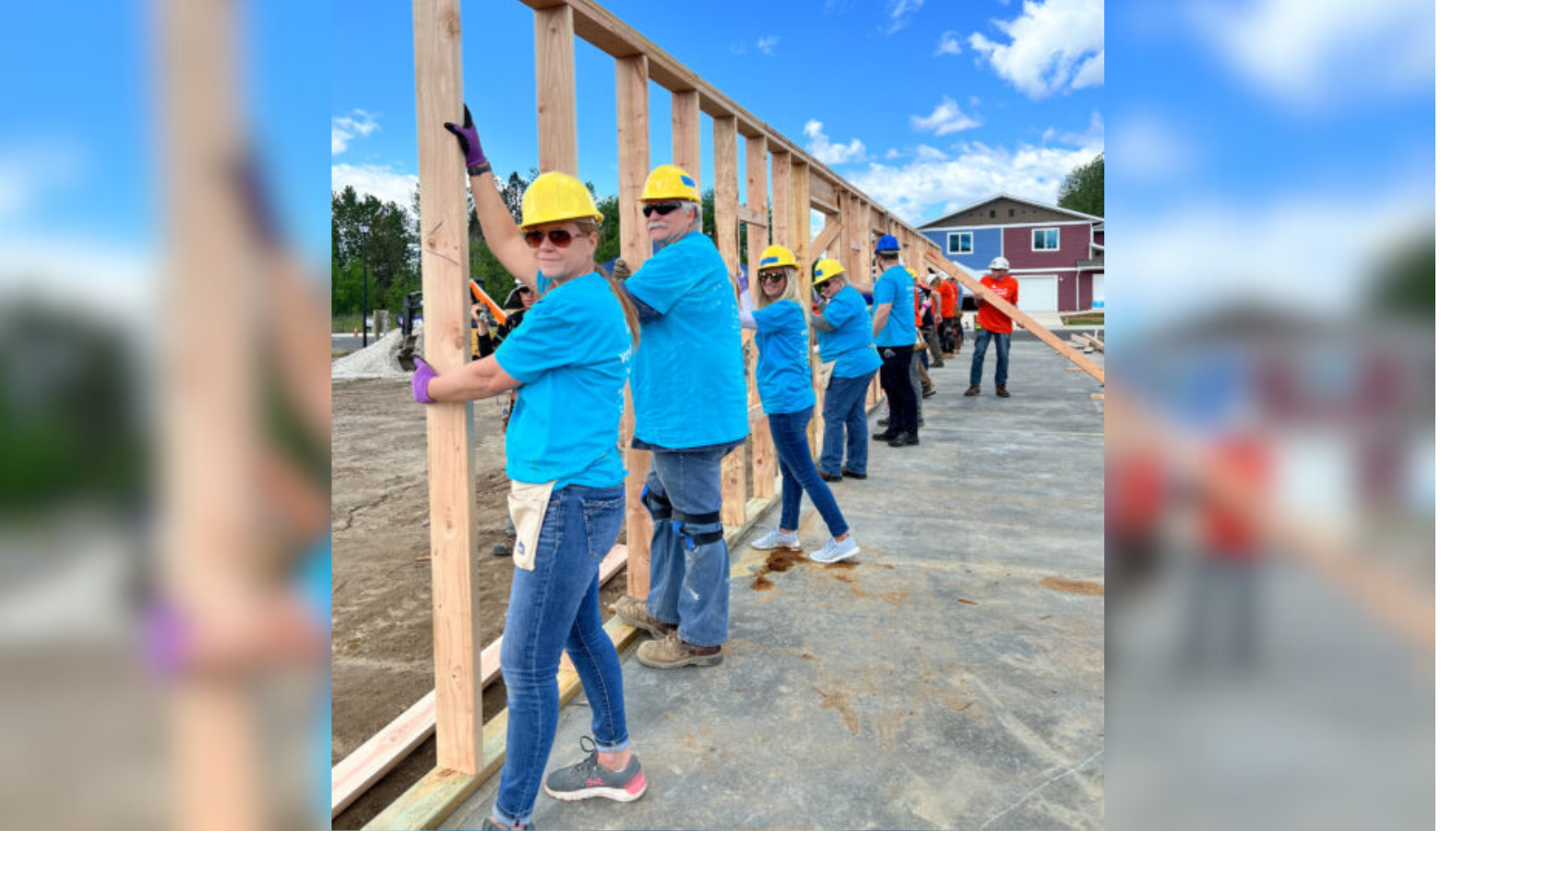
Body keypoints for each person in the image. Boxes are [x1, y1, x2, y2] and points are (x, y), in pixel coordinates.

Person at [435, 111, 646, 830]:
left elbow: (491, 375)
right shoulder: (571, 287)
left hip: (564, 502)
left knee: (526, 668)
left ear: (592, 236)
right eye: (539, 234)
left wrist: (429, 386)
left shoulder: (572, 305)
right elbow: (498, 239)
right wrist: (478, 168)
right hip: (580, 496)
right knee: (583, 634)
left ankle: (508, 818)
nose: (545, 246)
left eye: (562, 234)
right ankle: (616, 761)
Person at [605, 164, 750, 670]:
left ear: (692, 213)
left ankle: (700, 636)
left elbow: (622, 306)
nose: (654, 216)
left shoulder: (687, 253)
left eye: (665, 208)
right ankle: (667, 610)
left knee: (698, 526)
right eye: (648, 208)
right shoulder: (685, 256)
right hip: (683, 417)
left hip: (690, 422)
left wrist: (593, 274)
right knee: (663, 506)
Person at [736, 245, 861, 563]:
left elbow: (744, 319)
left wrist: (713, 301)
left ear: (788, 277)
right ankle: (787, 531)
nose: (769, 281)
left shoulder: (786, 308)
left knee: (805, 472)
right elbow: (752, 318)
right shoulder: (782, 309)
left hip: (787, 404)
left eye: (775, 275)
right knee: (792, 472)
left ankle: (841, 535)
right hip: (790, 401)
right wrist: (744, 288)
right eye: (763, 276)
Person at [810, 258, 882, 482]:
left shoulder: (844, 300)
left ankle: (830, 467)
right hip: (862, 363)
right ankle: (856, 465)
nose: (823, 289)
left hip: (850, 366)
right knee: (854, 416)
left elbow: (825, 324)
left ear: (839, 280)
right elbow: (830, 313)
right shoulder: (848, 297)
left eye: (827, 284)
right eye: (820, 286)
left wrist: (801, 311)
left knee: (833, 415)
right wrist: (817, 301)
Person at [869, 236, 919, 446]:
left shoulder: (887, 279)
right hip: (902, 338)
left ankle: (909, 432)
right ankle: (896, 427)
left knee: (900, 387)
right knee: (891, 385)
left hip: (893, 341)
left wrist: (867, 338)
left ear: (879, 258)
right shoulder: (904, 276)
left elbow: (882, 311)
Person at [967, 256, 1019, 398]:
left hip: (1003, 325)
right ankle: (974, 385)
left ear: (1004, 271)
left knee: (1003, 356)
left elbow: (1013, 304)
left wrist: (1018, 317)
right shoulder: (984, 281)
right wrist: (978, 299)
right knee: (978, 353)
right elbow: (978, 305)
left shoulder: (1013, 283)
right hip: (985, 323)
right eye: (992, 270)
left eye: (997, 270)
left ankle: (1000, 386)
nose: (993, 273)